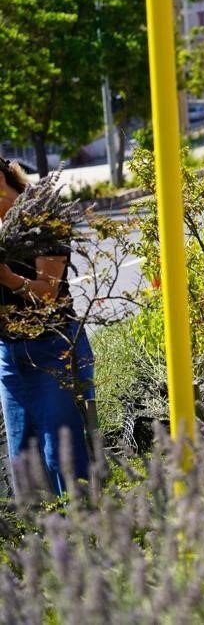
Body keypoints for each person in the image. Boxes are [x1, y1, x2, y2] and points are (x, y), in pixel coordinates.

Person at [0, 158, 94, 497]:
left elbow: (48, 291)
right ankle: (44, 545)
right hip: (10, 355)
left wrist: (9, 279)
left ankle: (89, 538)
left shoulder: (42, 216)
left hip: (53, 348)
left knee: (63, 460)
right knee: (24, 464)